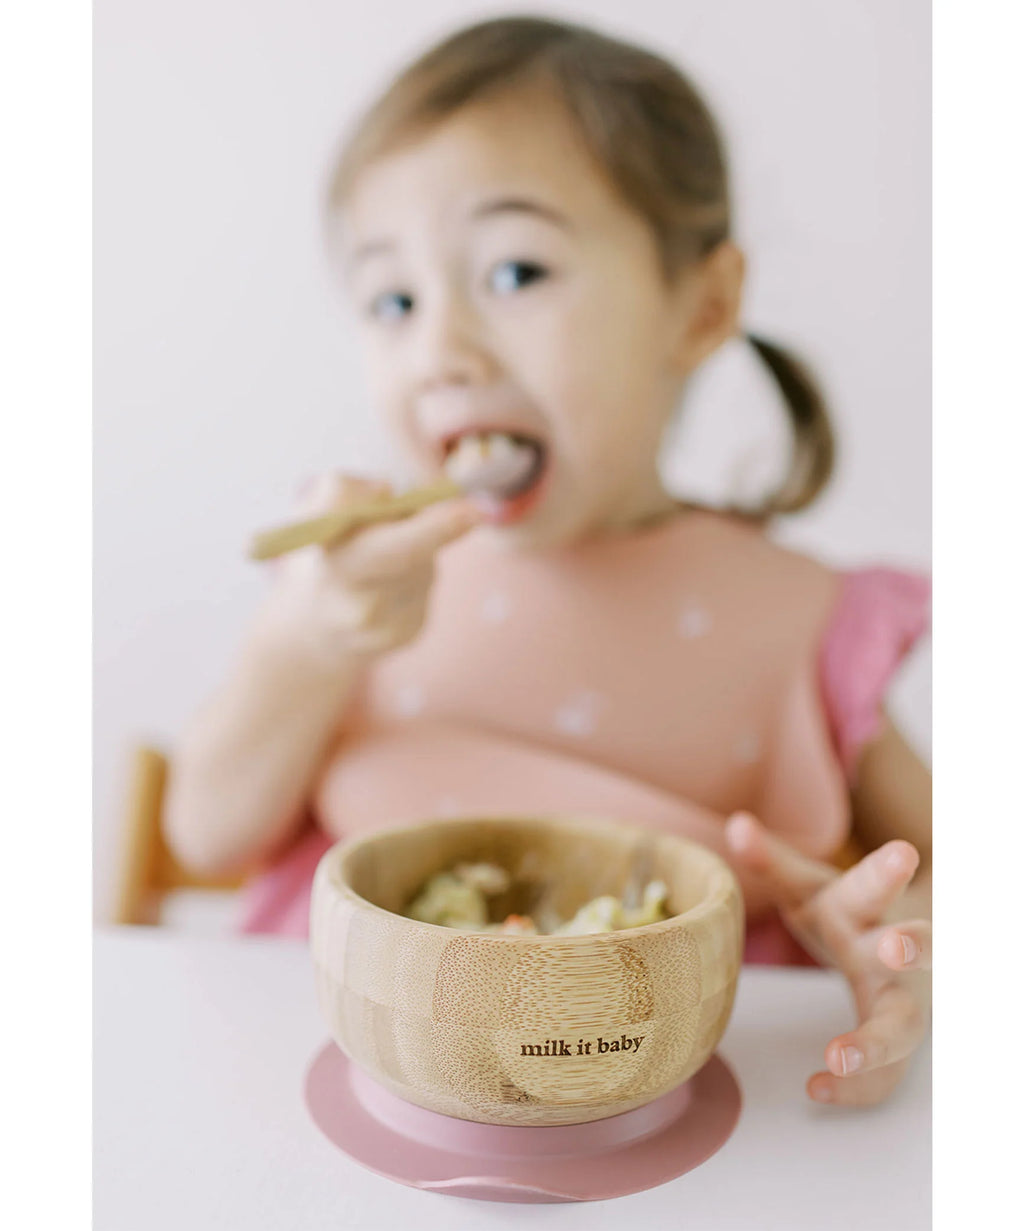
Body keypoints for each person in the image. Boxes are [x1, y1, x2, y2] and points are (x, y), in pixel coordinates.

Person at [165, 15, 931, 1108]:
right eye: (394, 300)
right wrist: (310, 634)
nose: (440, 350)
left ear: (702, 306)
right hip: (342, 1082)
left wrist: (902, 943)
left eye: (515, 271)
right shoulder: (359, 585)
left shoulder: (798, 618)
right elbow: (204, 830)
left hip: (679, 1102)